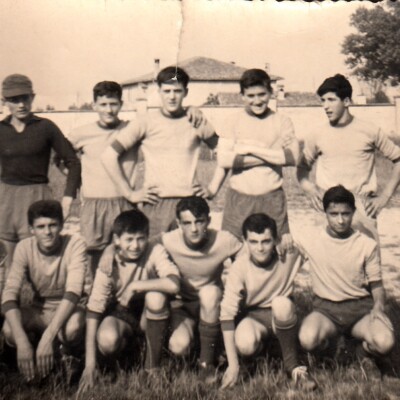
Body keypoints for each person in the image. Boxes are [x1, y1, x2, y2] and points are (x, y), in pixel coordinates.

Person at [101, 67, 219, 238]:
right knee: (154, 257)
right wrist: (129, 193)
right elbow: (108, 156)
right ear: (159, 91)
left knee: (190, 259)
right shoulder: (145, 122)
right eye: (167, 91)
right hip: (156, 204)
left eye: (177, 91)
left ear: (186, 92)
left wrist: (212, 189)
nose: (172, 96)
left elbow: (225, 152)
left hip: (190, 202)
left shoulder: (196, 120)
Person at [78, 210, 180, 392]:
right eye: (129, 239)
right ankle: (127, 357)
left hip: (149, 309)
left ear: (147, 237)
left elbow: (173, 284)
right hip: (122, 310)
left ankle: (152, 367)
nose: (135, 245)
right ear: (116, 240)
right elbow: (94, 310)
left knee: (155, 297)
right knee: (108, 340)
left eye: (140, 238)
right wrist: (90, 364)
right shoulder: (108, 262)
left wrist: (136, 286)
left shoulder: (154, 250)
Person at [297, 185, 395, 373]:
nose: (340, 220)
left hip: (360, 310)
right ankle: (333, 350)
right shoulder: (310, 238)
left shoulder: (367, 244)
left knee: (385, 342)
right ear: (325, 213)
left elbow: (377, 285)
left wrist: (379, 306)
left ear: (353, 212)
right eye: (334, 214)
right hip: (326, 310)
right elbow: (287, 261)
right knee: (308, 339)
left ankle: (362, 353)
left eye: (346, 213)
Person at [297, 74, 400, 242]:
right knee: (328, 263)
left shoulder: (369, 130)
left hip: (362, 207)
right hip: (329, 206)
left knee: (367, 264)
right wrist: (309, 189)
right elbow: (302, 167)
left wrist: (385, 197)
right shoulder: (317, 134)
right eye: (323, 100)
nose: (326, 106)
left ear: (346, 102)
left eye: (331, 100)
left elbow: (398, 160)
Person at [219, 213, 316, 391]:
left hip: (280, 314)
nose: (260, 248)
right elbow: (226, 315)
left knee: (281, 303)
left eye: (266, 241)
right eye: (254, 242)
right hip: (254, 317)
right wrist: (232, 365)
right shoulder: (239, 266)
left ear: (275, 240)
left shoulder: (289, 254)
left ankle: (293, 367)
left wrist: (291, 243)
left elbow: (318, 252)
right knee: (245, 343)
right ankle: (255, 359)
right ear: (245, 241)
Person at [207, 68, 300, 243]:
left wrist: (250, 148)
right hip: (239, 200)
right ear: (242, 96)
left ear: (271, 93)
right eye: (250, 96)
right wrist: (273, 153)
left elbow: (292, 158)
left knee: (275, 250)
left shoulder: (282, 121)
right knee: (234, 250)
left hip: (272, 199)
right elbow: (224, 160)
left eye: (262, 94)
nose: (257, 101)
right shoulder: (232, 121)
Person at [1, 200, 90, 382]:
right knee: (9, 329)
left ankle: (69, 357)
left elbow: (74, 292)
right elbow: (10, 294)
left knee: (73, 327)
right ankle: (22, 357)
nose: (47, 232)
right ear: (31, 229)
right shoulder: (24, 247)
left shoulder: (75, 243)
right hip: (39, 309)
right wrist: (21, 341)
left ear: (62, 225)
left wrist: (48, 336)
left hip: (69, 309)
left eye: (53, 225)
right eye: (40, 227)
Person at [0, 74, 81, 273]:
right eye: (14, 100)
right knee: (10, 266)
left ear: (33, 97)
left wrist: (68, 198)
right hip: (6, 200)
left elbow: (73, 162)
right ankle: (11, 303)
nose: (21, 105)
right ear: (4, 101)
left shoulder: (46, 127)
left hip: (37, 197)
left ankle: (43, 302)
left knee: (40, 263)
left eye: (25, 98)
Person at [159, 196, 243, 382]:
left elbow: (248, 258)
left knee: (209, 292)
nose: (194, 228)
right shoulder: (169, 240)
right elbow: (144, 247)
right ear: (179, 223)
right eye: (187, 223)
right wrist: (109, 251)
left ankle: (206, 364)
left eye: (199, 221)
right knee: (178, 346)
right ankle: (204, 342)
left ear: (209, 221)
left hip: (213, 302)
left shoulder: (224, 240)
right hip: (183, 305)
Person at [67, 81, 140, 275]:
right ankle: (95, 300)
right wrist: (79, 180)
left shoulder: (132, 129)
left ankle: (123, 301)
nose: (109, 109)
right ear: (94, 106)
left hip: (124, 202)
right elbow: (61, 159)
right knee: (93, 257)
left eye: (113, 104)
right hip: (94, 204)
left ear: (121, 104)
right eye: (103, 104)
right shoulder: (81, 133)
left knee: (127, 254)